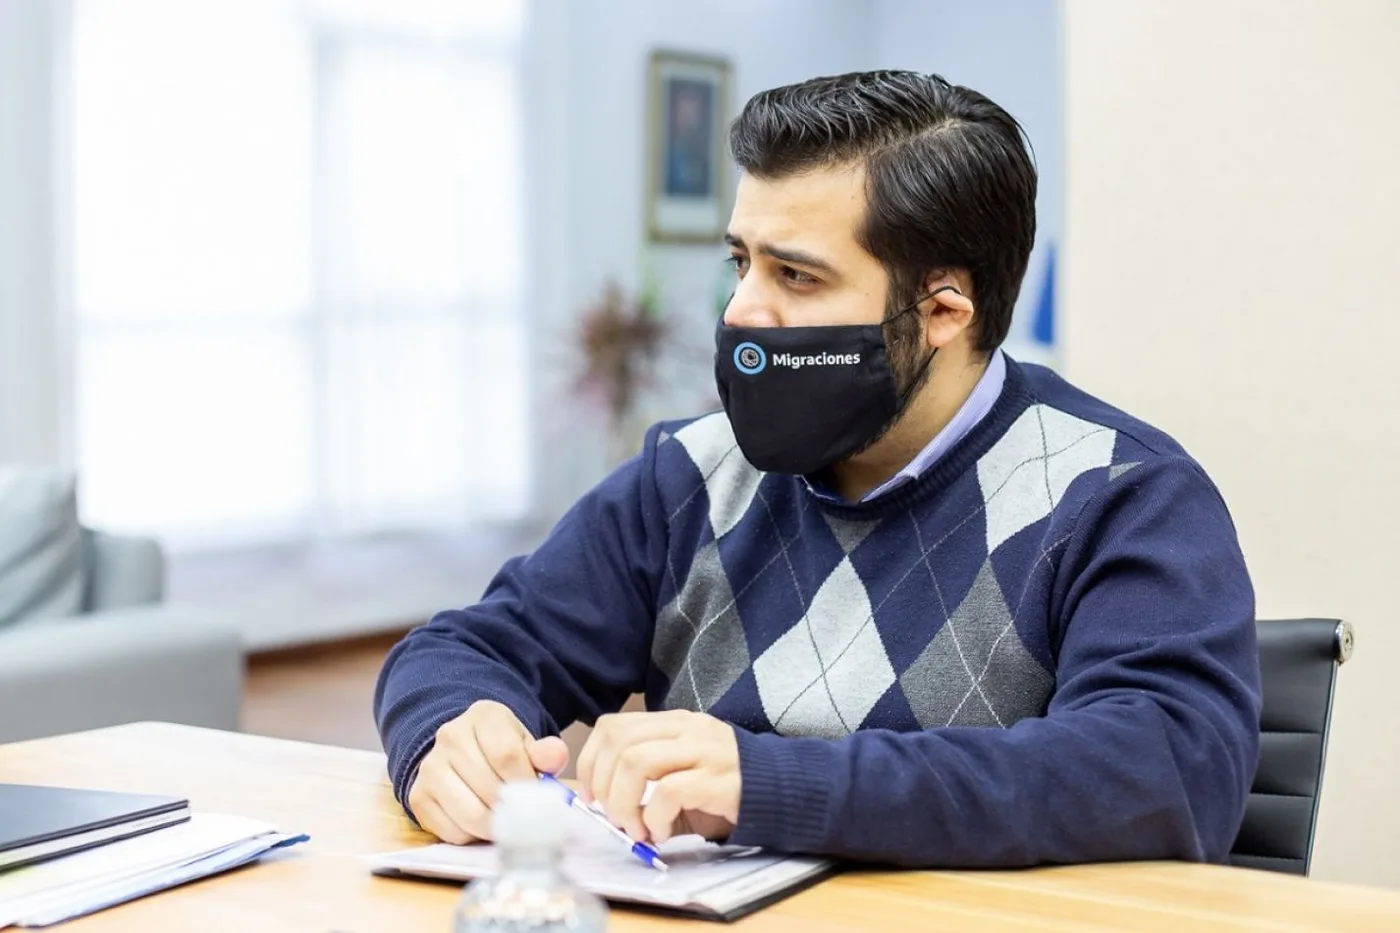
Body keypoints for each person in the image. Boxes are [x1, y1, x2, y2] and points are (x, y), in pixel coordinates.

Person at [374, 70, 1261, 869]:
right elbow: (465, 647)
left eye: (796, 276)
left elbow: (1167, 767)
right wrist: (449, 733)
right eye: (740, 262)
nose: (743, 312)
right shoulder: (690, 474)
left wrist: (771, 782)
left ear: (943, 308)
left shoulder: (1121, 492)